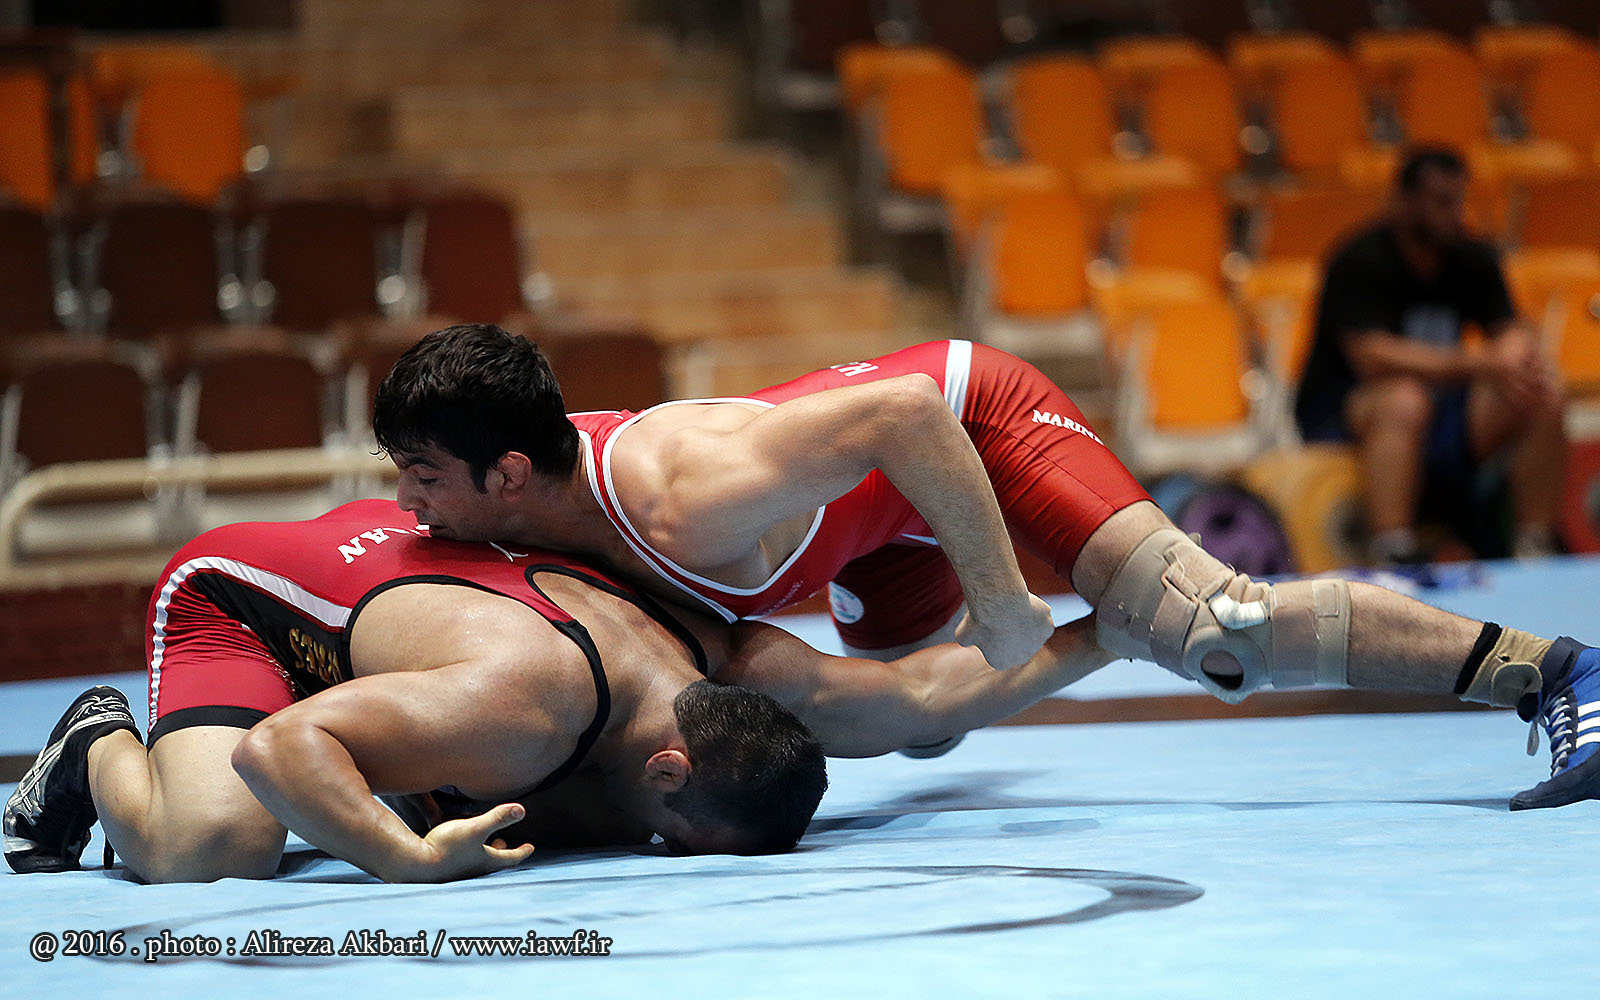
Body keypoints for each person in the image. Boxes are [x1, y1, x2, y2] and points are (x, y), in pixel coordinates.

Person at [372, 324, 1600, 808]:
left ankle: (1556, 672)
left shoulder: (684, 493)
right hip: (877, 522)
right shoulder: (514, 506)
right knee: (920, 731)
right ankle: (1107, 630)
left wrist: (1007, 602)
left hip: (967, 425)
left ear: (511, 473)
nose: (406, 501)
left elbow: (905, 413)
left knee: (1214, 627)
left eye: (420, 474)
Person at [4, 499, 1115, 883]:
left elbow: (924, 695)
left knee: (547, 809)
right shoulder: (525, 704)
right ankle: (95, 742)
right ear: (672, 766)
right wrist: (403, 858)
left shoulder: (746, 670)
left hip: (415, 607)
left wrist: (1115, 633)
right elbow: (281, 749)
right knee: (211, 848)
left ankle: (411, 762)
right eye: (681, 839)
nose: (664, 850)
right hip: (251, 602)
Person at [1294, 145, 1567, 564]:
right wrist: (1483, 361)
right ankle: (1393, 550)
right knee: (1404, 400)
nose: (1453, 213)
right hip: (1345, 409)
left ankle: (1535, 546)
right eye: (1440, 201)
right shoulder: (1359, 259)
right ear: (1404, 201)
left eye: (1458, 200)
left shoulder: (1472, 256)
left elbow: (1509, 332)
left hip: (1442, 409)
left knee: (1541, 392)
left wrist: (1517, 355)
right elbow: (1372, 358)